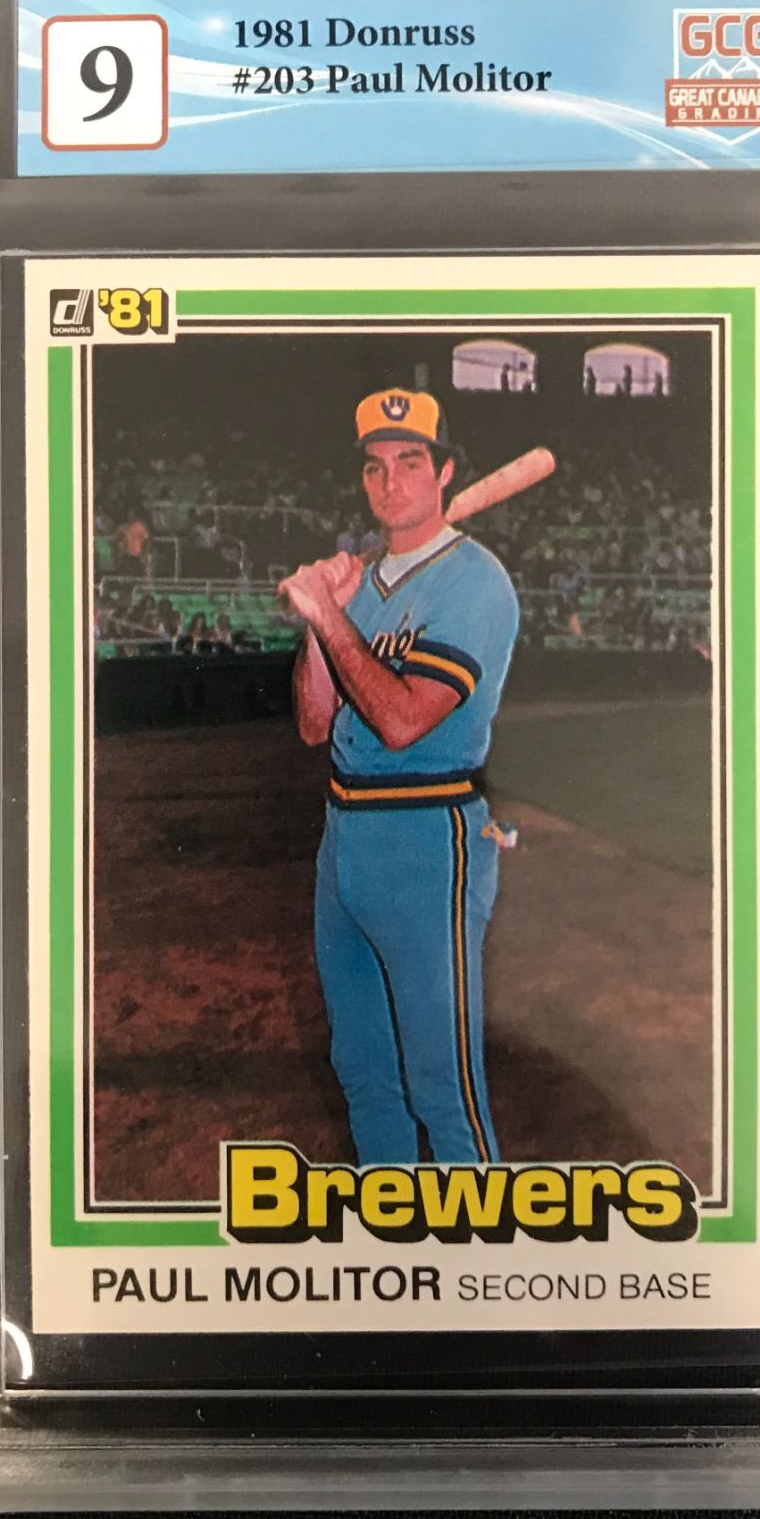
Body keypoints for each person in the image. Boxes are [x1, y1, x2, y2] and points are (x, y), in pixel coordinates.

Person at [280, 388, 519, 1167]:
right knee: (364, 1071)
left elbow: (403, 720)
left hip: (427, 836)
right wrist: (323, 620)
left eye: (410, 462)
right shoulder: (366, 583)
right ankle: (394, 1224)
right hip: (344, 837)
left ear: (445, 473)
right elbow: (315, 723)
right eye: (375, 467)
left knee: (442, 1086)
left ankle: (479, 1235)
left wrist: (332, 618)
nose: (391, 482)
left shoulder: (474, 581)